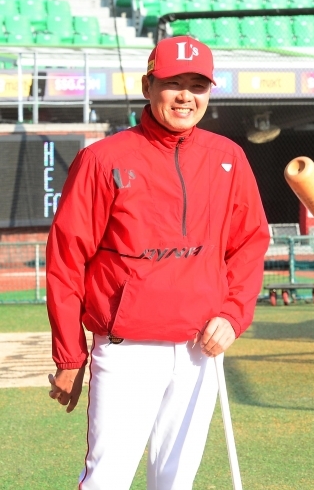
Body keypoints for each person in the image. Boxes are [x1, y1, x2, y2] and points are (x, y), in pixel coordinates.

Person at [45, 36, 270, 489]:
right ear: (148, 85)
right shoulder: (101, 159)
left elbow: (249, 244)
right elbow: (67, 259)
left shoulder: (229, 158)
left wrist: (232, 314)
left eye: (198, 85)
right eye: (173, 83)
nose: (186, 96)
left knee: (175, 481)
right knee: (106, 479)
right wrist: (71, 354)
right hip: (127, 348)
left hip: (199, 349)